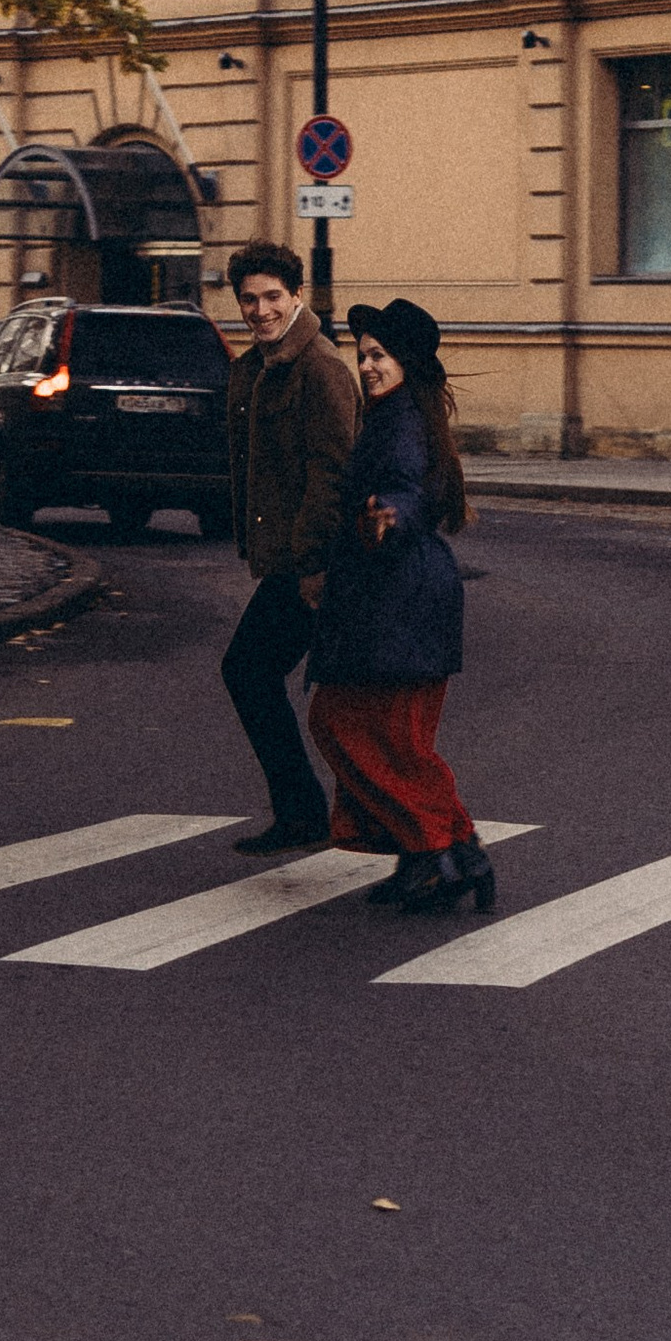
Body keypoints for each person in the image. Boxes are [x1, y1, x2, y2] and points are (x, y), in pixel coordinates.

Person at [306, 296, 493, 917]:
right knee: (383, 734)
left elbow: (408, 488)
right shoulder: (402, 413)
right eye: (362, 356)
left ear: (407, 361)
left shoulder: (402, 421)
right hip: (398, 600)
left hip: (398, 601)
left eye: (379, 356)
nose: (367, 366)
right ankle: (443, 853)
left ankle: (439, 847)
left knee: (360, 728)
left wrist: (390, 514)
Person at [219, 239, 361, 854]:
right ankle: (313, 810)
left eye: (272, 296)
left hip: (315, 563)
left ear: (297, 295)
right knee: (286, 681)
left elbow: (332, 472)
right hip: (288, 558)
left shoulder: (318, 367)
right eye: (249, 299)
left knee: (251, 670)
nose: (260, 309)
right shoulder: (256, 366)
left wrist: (312, 564)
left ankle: (316, 811)